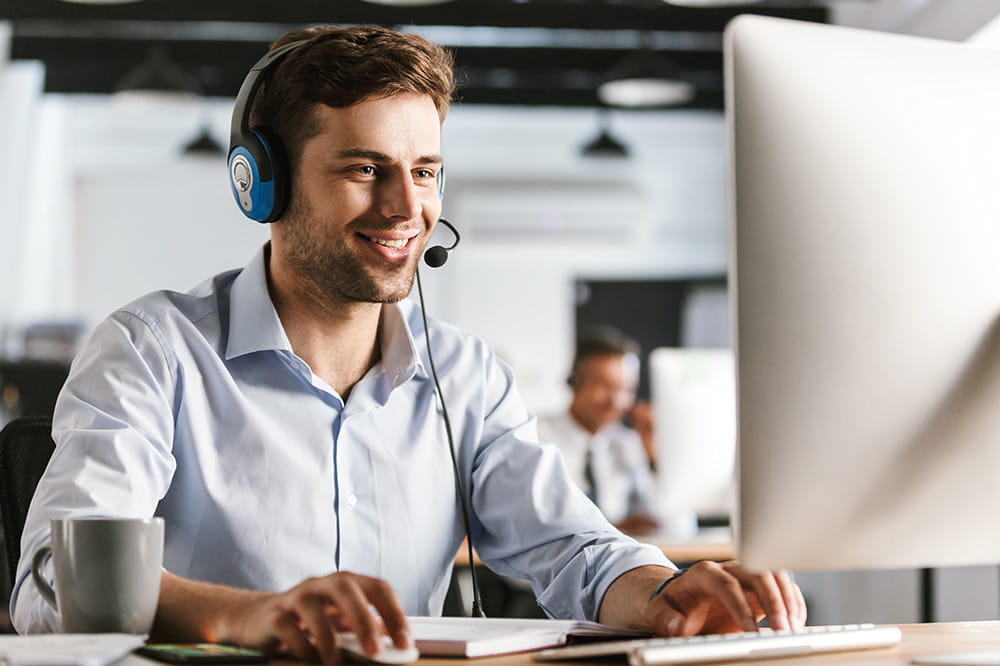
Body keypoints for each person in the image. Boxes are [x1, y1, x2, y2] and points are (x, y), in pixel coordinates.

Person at [11, 25, 805, 661]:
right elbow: (52, 591)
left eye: (425, 171)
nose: (405, 208)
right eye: (365, 168)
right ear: (265, 183)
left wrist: (668, 593)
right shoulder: (153, 351)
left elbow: (570, 546)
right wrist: (257, 618)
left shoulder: (464, 374)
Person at [537, 329, 659, 534]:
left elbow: (675, 525)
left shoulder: (627, 443)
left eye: (626, 390)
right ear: (573, 382)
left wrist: (653, 454)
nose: (616, 401)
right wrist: (615, 529)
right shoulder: (536, 438)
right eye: (604, 386)